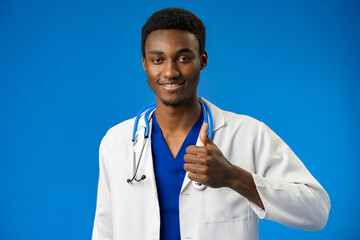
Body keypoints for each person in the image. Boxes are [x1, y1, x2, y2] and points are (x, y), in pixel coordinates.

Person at [92, 8, 330, 240]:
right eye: (158, 59)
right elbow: (104, 231)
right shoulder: (116, 142)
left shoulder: (248, 134)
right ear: (145, 64)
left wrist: (233, 177)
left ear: (202, 60)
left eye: (183, 58)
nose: (170, 71)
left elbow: (317, 210)